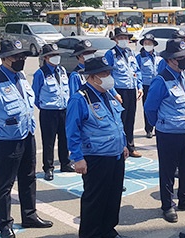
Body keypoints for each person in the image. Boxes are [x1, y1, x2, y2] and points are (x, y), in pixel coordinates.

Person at [0, 40, 53, 238]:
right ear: (5, 58)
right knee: (4, 184)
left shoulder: (20, 75)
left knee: (28, 177)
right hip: (5, 140)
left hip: (26, 135)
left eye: (23, 56)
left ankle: (29, 215)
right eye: (16, 56)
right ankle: (4, 224)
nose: (21, 59)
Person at [144, 39, 185, 223]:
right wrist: (161, 124)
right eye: (181, 57)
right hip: (168, 133)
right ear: (171, 60)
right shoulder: (161, 80)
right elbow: (150, 108)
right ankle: (168, 205)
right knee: (168, 171)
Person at [66, 57, 129, 238]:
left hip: (115, 154)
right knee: (95, 200)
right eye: (104, 74)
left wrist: (123, 144)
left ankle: (108, 230)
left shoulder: (107, 94)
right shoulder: (80, 99)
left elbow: (116, 122)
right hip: (96, 157)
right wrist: (77, 158)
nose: (109, 77)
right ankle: (91, 234)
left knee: (113, 195)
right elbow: (72, 131)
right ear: (92, 77)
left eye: (109, 73)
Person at [32, 44, 74, 181]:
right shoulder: (40, 73)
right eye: (53, 55)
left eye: (57, 54)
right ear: (45, 57)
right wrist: (45, 106)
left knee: (64, 138)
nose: (56, 57)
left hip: (64, 109)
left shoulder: (61, 70)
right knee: (49, 142)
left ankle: (65, 163)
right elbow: (35, 95)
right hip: (48, 112)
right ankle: (48, 168)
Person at [105, 27, 143, 158]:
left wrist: (139, 87)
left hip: (131, 89)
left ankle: (130, 147)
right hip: (118, 91)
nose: (123, 40)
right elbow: (106, 75)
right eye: (120, 38)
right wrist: (114, 93)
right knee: (119, 120)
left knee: (130, 120)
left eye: (125, 38)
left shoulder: (130, 53)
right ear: (115, 40)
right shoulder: (110, 54)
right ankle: (119, 147)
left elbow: (136, 71)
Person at [136, 33, 161, 139]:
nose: (147, 45)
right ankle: (148, 129)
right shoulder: (139, 57)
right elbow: (137, 72)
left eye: (149, 43)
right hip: (146, 85)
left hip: (157, 84)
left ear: (153, 44)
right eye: (145, 43)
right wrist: (139, 86)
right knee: (148, 107)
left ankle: (158, 127)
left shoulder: (158, 56)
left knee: (159, 106)